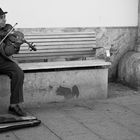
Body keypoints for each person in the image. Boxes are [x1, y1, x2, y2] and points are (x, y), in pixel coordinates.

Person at [0, 8, 26, 116]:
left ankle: (14, 105)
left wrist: (16, 45)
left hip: (3, 61)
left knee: (18, 73)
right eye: (1, 18)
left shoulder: (6, 32)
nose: (5, 20)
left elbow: (6, 52)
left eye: (4, 17)